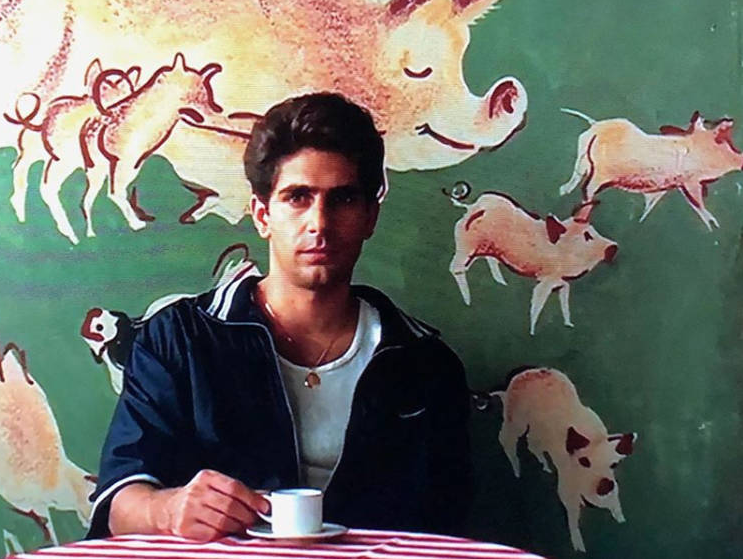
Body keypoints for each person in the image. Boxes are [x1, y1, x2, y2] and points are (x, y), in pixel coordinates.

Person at [86, 92, 472, 541]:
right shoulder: (177, 339)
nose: (319, 223)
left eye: (343, 199)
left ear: (371, 217)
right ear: (262, 214)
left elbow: (447, 531)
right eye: (297, 197)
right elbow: (119, 505)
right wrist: (168, 510)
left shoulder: (426, 365)